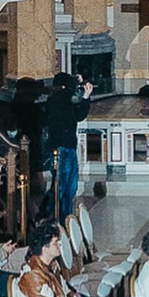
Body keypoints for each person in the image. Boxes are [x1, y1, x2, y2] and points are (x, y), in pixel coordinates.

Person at [44, 71, 92, 221]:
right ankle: (54, 217)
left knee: (71, 187)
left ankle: (65, 218)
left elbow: (79, 116)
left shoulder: (66, 101)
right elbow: (68, 91)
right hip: (60, 149)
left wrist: (86, 97)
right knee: (61, 186)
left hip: (69, 148)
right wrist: (78, 80)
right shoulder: (56, 99)